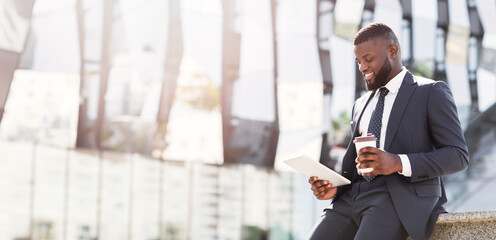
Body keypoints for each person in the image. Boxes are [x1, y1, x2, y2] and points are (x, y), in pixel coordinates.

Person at [307, 22, 469, 240]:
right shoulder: (360, 104)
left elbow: (458, 156)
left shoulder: (430, 92)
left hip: (397, 198)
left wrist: (398, 162)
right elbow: (356, 165)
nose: (362, 67)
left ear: (392, 51)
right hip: (351, 198)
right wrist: (335, 188)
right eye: (358, 61)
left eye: (369, 58)